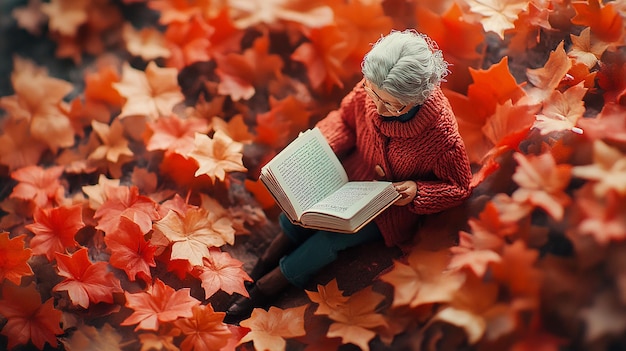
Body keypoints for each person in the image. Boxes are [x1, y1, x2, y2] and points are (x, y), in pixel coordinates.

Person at [225, 29, 473, 322]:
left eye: (393, 105)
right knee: (299, 213)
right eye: (374, 93)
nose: (378, 108)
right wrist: (324, 146)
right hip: (346, 175)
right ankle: (263, 264)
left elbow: (459, 186)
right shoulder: (368, 93)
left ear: (419, 96)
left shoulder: (442, 137)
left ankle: (269, 286)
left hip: (383, 208)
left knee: (329, 240)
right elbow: (343, 120)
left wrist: (417, 191)